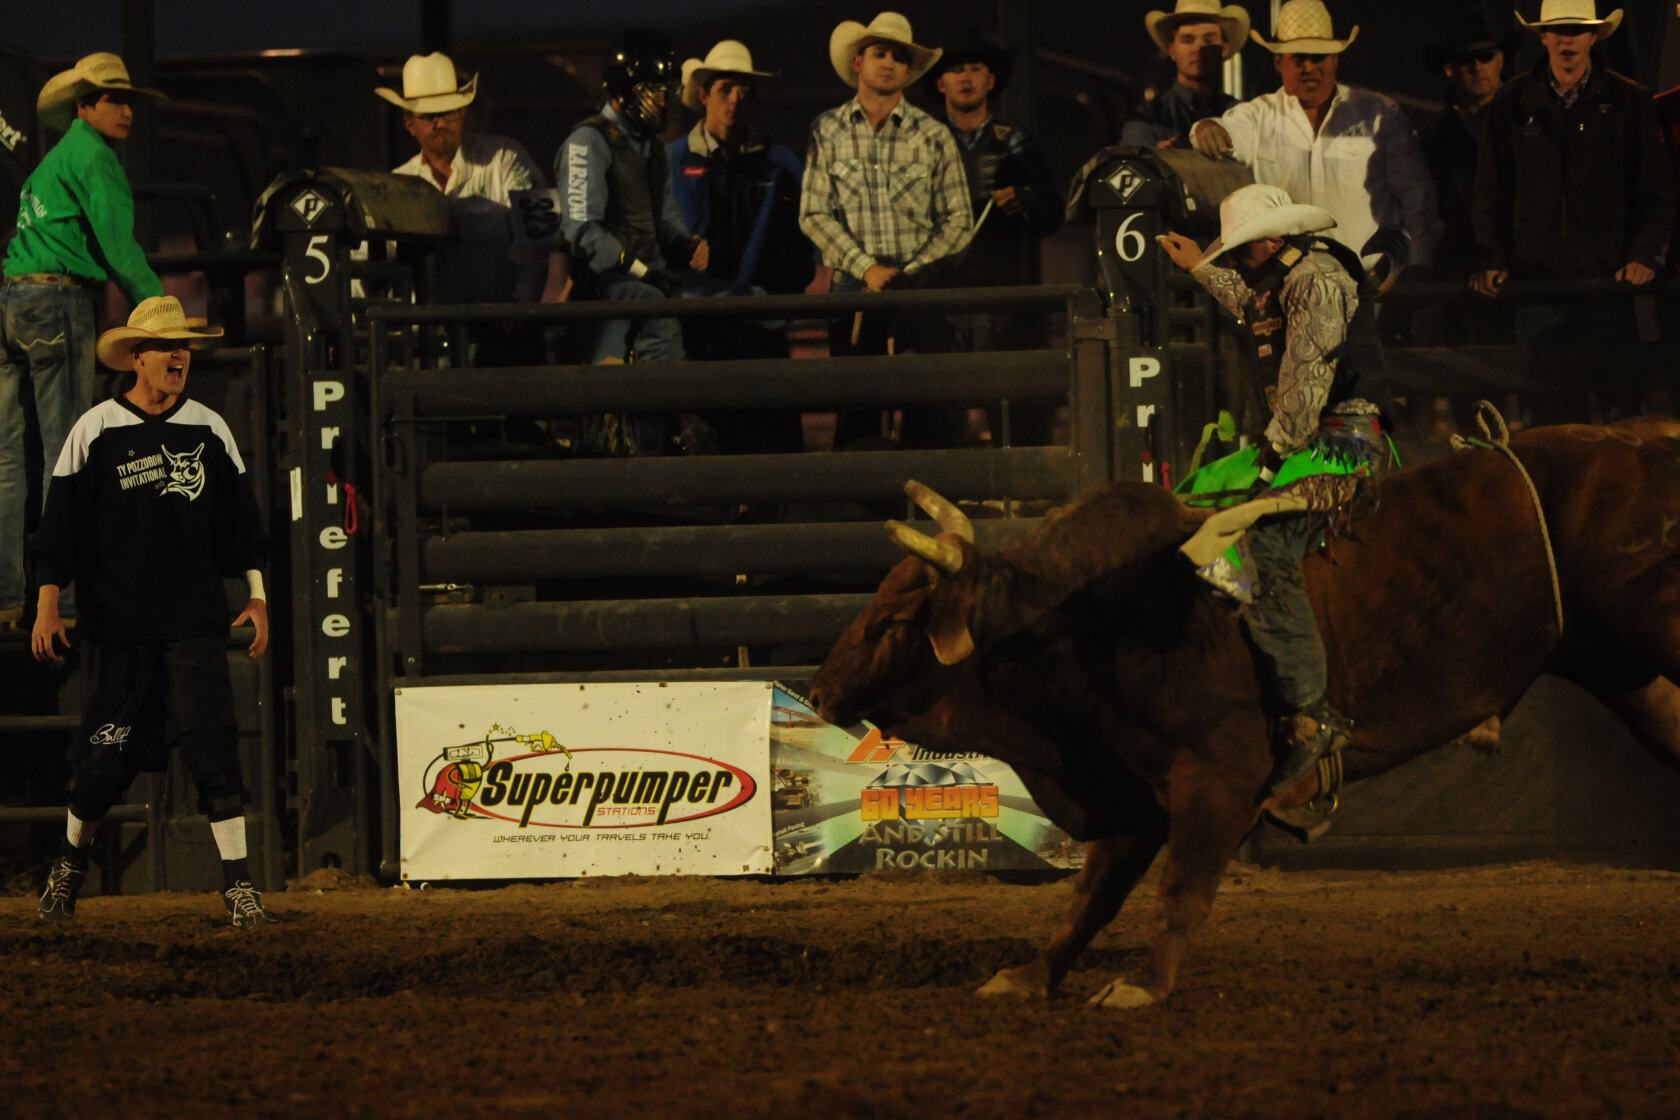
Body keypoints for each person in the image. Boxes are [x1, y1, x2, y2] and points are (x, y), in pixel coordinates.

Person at [31, 296, 272, 928]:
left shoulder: (210, 429)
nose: (178, 358)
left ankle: (239, 886)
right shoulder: (96, 429)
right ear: (136, 357)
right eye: (167, 347)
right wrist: (47, 603)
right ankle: (69, 864)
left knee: (215, 752)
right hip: (118, 630)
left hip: (191, 624)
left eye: (185, 348)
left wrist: (257, 596)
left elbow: (240, 528)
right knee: (99, 760)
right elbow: (60, 528)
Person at [1159, 184, 1393, 795]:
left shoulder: (1314, 279)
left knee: (1258, 545)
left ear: (1271, 239)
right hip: (1309, 435)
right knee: (1200, 505)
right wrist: (1202, 266)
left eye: (1238, 248)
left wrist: (1271, 458)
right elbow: (1253, 306)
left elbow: (1307, 378)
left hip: (1342, 442)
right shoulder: (1284, 273)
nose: (1233, 258)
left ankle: (1309, 711)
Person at [1, 53, 165, 629]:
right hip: (55, 304)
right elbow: (119, 249)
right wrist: (160, 315)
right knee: (64, 452)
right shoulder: (94, 158)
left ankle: (8, 597)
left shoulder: (52, 162)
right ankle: (62, 602)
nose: (125, 110)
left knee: (8, 460)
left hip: (11, 302)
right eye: (113, 100)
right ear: (84, 106)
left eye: (129, 101)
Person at [799, 11, 971, 446]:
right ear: (859, 62)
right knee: (857, 406)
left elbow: (959, 220)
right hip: (853, 291)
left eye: (899, 56)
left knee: (927, 411)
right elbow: (813, 213)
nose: (889, 63)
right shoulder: (828, 129)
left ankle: (924, 504)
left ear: (909, 71)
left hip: (920, 290)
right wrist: (867, 269)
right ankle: (864, 508)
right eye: (880, 53)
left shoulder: (933, 135)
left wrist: (909, 273)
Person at [1190, 0, 1441, 290]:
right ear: (1278, 62)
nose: (1309, 66)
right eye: (1299, 57)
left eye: (1318, 57)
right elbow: (1225, 128)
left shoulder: (1379, 114)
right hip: (1288, 286)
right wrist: (1206, 128)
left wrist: (1420, 261)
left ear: (1335, 59)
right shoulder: (1259, 116)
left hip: (1369, 283)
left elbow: (1416, 195)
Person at [557, 28, 708, 455]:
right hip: (607, 284)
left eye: (667, 91)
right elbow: (582, 229)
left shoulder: (652, 149)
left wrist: (686, 244)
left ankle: (671, 429)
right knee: (654, 309)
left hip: (647, 279)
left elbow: (665, 220)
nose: (665, 100)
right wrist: (638, 267)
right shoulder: (589, 141)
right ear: (626, 91)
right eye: (654, 91)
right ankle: (665, 416)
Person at [1470, 1, 1671, 300]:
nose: (1567, 39)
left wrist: (1643, 255)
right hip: (1531, 277)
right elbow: (1490, 186)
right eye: (1558, 30)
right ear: (1543, 37)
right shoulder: (1510, 101)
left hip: (1609, 277)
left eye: (1576, 30)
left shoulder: (1629, 100)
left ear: (1593, 37)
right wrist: (1493, 258)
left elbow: (1655, 187)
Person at [378, 52, 548, 315]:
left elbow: (541, 237)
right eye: (429, 116)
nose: (440, 123)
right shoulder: (397, 182)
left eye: (448, 113)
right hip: (431, 332)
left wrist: (520, 306)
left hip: (503, 321)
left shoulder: (507, 158)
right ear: (409, 123)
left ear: (463, 114)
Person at [669, 40, 813, 298]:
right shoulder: (673, 160)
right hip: (689, 307)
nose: (735, 99)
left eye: (744, 90)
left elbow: (806, 232)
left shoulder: (780, 164)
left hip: (760, 307)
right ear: (704, 95)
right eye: (726, 89)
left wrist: (782, 290)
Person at [1419, 13, 1517, 282]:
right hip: (1461, 273)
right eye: (1466, 60)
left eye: (1486, 56)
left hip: (1526, 270)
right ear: (1449, 69)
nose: (1477, 66)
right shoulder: (1432, 138)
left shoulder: (1531, 123)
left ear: (1501, 60)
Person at [1121, 0, 1247, 149]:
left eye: (1208, 39)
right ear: (1172, 50)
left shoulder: (1243, 116)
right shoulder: (1147, 118)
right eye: (1187, 39)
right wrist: (1155, 160)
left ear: (1224, 49)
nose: (1198, 48)